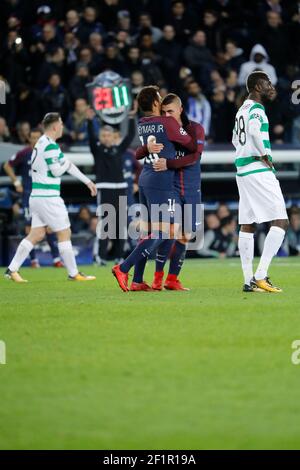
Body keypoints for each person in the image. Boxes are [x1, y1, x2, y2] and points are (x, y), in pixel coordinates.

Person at [112, 85, 197, 292]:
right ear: (156, 103)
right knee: (167, 231)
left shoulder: (143, 123)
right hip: (161, 182)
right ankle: (123, 268)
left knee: (148, 232)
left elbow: (140, 152)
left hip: (145, 179)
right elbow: (191, 145)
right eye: (160, 99)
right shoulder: (167, 122)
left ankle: (138, 280)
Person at [5, 112, 97, 282]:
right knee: (64, 232)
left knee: (37, 234)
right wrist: (63, 165)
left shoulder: (42, 143)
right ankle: (73, 273)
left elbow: (67, 164)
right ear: (55, 126)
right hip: (49, 197)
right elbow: (57, 170)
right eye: (61, 124)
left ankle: (12, 270)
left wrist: (87, 181)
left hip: (37, 196)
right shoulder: (50, 146)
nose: (62, 127)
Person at [136, 93, 204, 290]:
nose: (166, 115)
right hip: (170, 187)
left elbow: (195, 156)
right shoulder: (165, 128)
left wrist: (170, 163)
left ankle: (172, 279)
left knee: (186, 234)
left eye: (170, 111)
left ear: (180, 109)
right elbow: (141, 152)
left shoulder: (195, 128)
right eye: (163, 111)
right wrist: (147, 148)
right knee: (169, 231)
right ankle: (157, 276)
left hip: (191, 187)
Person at [232, 71, 289, 293]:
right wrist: (266, 155)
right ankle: (261, 275)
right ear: (257, 86)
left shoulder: (241, 110)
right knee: (281, 220)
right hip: (257, 168)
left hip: (242, 170)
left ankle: (248, 280)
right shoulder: (256, 109)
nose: (271, 86)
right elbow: (255, 132)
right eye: (267, 83)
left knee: (248, 222)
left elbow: (235, 139)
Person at [3, 128, 63, 268]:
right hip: (29, 195)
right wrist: (16, 182)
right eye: (33, 138)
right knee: (30, 229)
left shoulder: (46, 153)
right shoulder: (24, 153)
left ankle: (56, 260)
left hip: (45, 195)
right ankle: (34, 261)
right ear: (29, 139)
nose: (35, 140)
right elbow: (7, 165)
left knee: (49, 227)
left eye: (38, 137)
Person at [86, 107, 136, 266]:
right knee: (105, 224)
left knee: (121, 223)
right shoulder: (97, 149)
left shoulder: (119, 149)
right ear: (100, 137)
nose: (106, 138)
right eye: (104, 135)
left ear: (113, 137)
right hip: (105, 188)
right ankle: (100, 257)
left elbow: (130, 136)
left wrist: (131, 118)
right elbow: (91, 137)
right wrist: (89, 120)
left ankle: (119, 257)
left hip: (120, 188)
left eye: (109, 135)